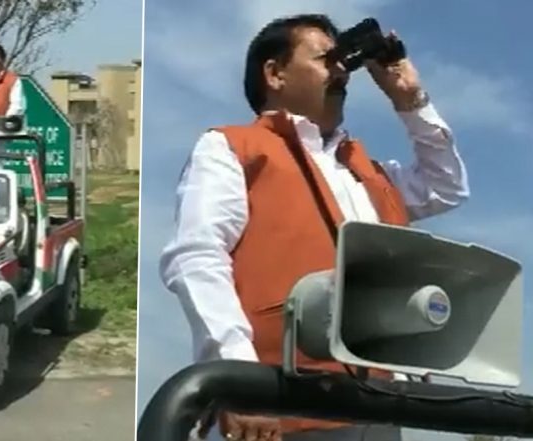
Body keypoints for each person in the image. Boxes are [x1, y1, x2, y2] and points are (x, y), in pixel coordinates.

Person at [159, 14, 469, 441]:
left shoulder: (366, 171)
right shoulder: (230, 148)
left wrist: (409, 97)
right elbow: (196, 257)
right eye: (327, 58)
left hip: (377, 407)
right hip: (281, 407)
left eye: (344, 61)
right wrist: (238, 378)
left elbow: (446, 186)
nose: (342, 70)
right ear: (275, 73)